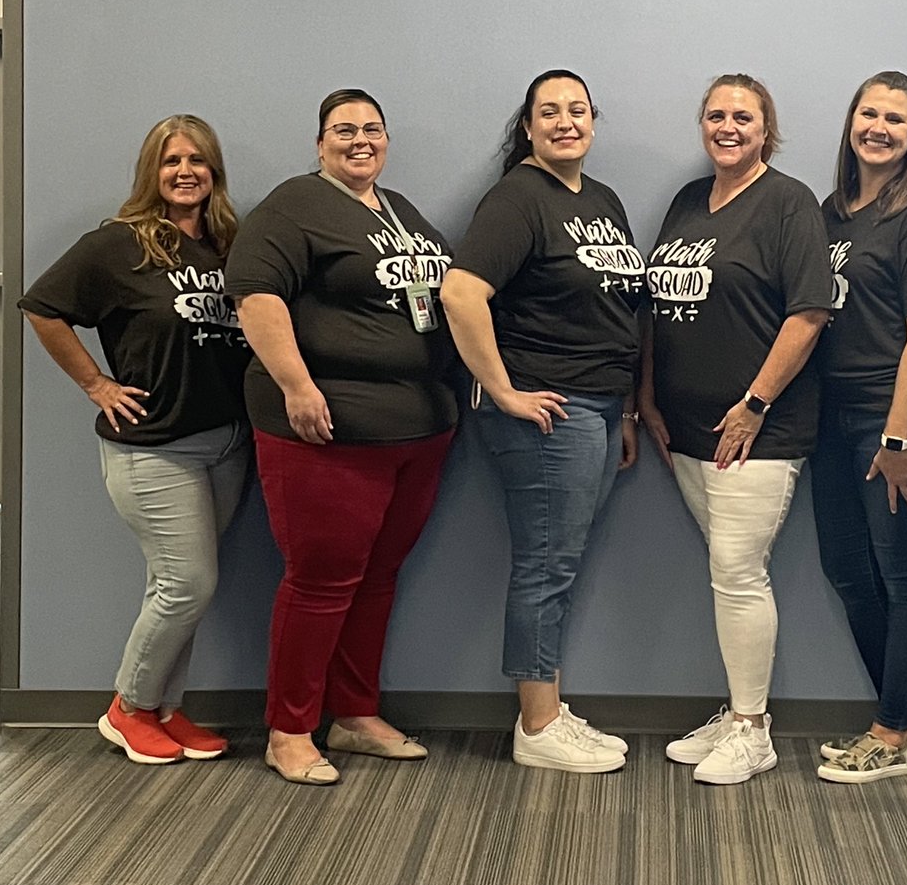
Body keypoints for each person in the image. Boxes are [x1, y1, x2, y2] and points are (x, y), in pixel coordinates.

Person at [225, 88, 458, 785]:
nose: (361, 140)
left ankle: (354, 713)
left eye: (373, 128)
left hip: (416, 431)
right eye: (344, 129)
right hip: (326, 433)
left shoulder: (399, 211)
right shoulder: (294, 205)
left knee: (377, 578)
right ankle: (290, 728)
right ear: (320, 142)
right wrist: (298, 385)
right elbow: (256, 295)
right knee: (320, 581)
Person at [20, 114, 249, 765]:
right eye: (172, 160)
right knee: (189, 583)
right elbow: (43, 307)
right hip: (153, 447)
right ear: (152, 170)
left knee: (177, 585)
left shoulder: (228, 243)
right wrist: (96, 382)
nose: (185, 171)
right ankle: (128, 707)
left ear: (214, 171)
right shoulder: (118, 245)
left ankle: (165, 710)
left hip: (226, 444)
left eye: (198, 160)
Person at [440, 69, 643, 774]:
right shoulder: (518, 198)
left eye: (577, 109)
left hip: (596, 407)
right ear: (526, 127)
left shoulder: (602, 199)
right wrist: (502, 390)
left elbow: (614, 311)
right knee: (547, 563)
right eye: (548, 111)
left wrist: (624, 408)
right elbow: (461, 292)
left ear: (593, 120)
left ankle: (550, 707)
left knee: (559, 560)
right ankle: (536, 723)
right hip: (545, 414)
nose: (565, 120)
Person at [638, 73, 830, 784]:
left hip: (757, 432)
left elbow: (808, 313)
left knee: (738, 571)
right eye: (716, 114)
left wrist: (754, 402)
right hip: (684, 430)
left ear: (765, 128)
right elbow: (658, 302)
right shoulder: (690, 201)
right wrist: (647, 397)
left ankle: (754, 728)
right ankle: (736, 708)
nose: (728, 126)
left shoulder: (789, 203)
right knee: (725, 573)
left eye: (743, 116)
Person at [810, 71, 907, 784]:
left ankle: (891, 728)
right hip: (833, 422)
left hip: (897, 426)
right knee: (847, 570)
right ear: (851, 122)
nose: (878, 126)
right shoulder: (830, 212)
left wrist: (898, 441)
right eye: (868, 112)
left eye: (895, 118)